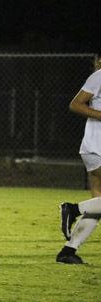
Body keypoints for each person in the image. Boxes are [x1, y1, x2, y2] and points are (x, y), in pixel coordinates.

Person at [58, 57, 101, 264]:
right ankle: (72, 209)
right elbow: (75, 104)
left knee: (97, 206)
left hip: (96, 149)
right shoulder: (100, 76)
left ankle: (68, 252)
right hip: (97, 147)